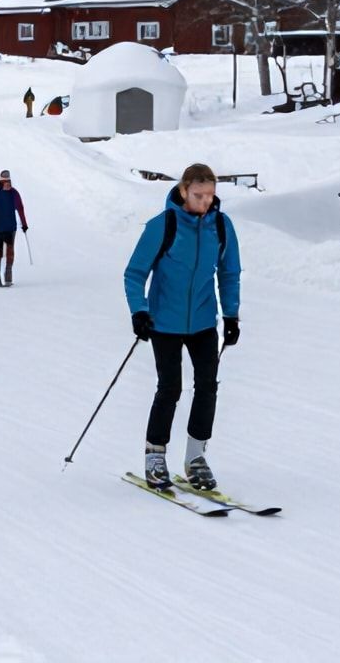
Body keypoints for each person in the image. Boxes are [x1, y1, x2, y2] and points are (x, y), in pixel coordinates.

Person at [123, 163, 241, 492]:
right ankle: (155, 456)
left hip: (203, 321)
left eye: (210, 195)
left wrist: (231, 315)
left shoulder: (221, 226)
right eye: (199, 195)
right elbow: (134, 273)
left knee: (207, 386)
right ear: (184, 191)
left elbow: (229, 272)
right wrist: (139, 311)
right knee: (170, 388)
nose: (205, 201)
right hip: (164, 322)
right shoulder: (163, 225)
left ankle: (195, 458)